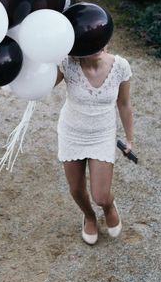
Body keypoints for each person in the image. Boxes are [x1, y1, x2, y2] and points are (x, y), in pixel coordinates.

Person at [55, 46, 134, 245]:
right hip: (72, 133)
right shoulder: (67, 64)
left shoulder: (120, 66)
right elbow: (42, 85)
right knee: (76, 188)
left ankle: (108, 207)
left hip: (102, 135)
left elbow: (124, 104)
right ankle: (89, 216)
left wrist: (129, 138)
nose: (99, 45)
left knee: (101, 195)